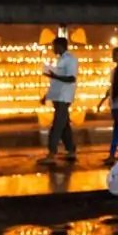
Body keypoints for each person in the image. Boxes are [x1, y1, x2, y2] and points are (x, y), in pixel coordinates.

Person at [39, 37, 78, 165]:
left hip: (63, 97)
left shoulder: (70, 59)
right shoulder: (61, 59)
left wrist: (55, 76)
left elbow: (71, 78)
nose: (53, 49)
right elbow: (57, 80)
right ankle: (71, 150)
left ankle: (51, 153)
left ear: (61, 46)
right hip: (58, 96)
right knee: (64, 125)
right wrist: (47, 95)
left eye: (54, 46)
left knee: (57, 126)